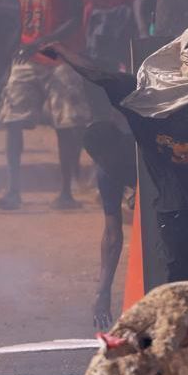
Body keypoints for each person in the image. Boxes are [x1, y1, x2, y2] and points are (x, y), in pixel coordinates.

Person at [50, 24, 188, 283]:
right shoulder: (150, 99)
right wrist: (62, 51)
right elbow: (101, 76)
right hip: (173, 211)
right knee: (180, 284)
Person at [0, 0, 89, 211]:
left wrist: (43, 42)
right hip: (30, 56)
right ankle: (13, 191)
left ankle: (65, 192)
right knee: (12, 120)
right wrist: (10, 59)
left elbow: (75, 18)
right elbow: (20, 21)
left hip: (60, 55)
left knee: (65, 123)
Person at [82, 118, 138, 330]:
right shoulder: (106, 173)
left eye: (108, 157)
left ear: (122, 144)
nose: (106, 163)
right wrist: (102, 292)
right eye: (99, 160)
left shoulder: (145, 148)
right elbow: (112, 236)